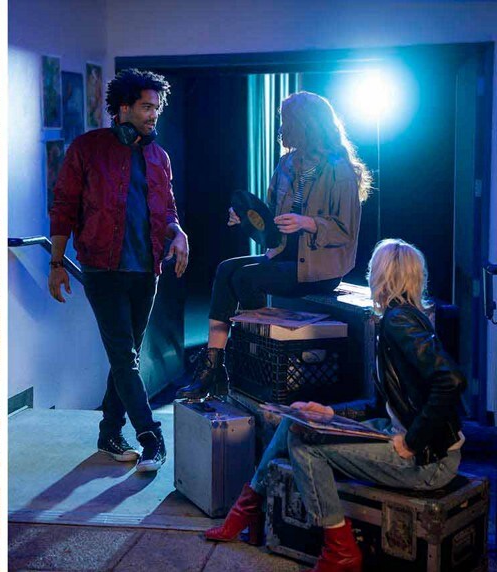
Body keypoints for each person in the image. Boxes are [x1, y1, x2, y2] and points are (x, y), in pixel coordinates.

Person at [204, 239, 464, 572]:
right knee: (296, 420)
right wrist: (332, 414)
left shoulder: (400, 322)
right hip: (402, 434)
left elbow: (451, 381)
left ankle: (340, 550)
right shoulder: (399, 320)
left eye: (373, 269)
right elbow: (384, 406)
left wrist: (412, 442)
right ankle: (248, 509)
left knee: (304, 448)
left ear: (381, 275)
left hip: (430, 462)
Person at [179, 91, 369, 399]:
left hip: (321, 266)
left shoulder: (339, 170)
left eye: (286, 120)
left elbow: (346, 230)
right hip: (284, 255)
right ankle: (213, 365)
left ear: (306, 123)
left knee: (246, 277)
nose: (282, 127)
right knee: (227, 269)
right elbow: (267, 220)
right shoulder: (286, 164)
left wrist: (307, 223)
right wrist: (242, 217)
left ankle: (255, 355)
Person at [49, 68, 190, 472]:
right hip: (102, 269)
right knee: (125, 358)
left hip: (147, 270)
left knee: (124, 356)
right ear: (123, 108)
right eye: (147, 107)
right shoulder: (87, 149)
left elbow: (168, 211)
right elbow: (63, 209)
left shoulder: (158, 156)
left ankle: (110, 431)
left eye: (157, 108)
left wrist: (179, 234)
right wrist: (57, 263)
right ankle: (152, 438)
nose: (153, 115)